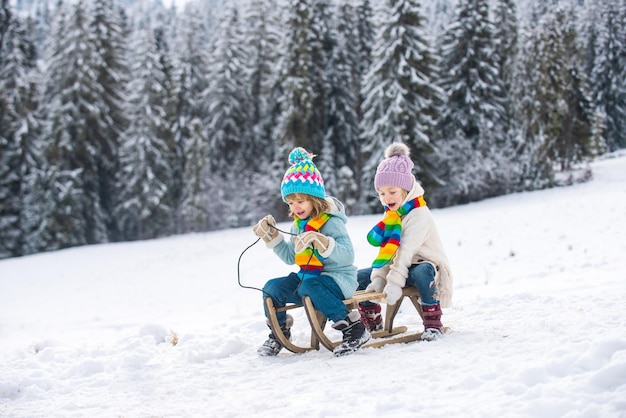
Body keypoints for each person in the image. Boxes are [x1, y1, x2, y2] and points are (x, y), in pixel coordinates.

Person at [252, 147, 370, 357]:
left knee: (309, 285)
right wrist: (272, 237)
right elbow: (291, 257)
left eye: (300, 201)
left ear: (314, 198)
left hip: (338, 280)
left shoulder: (331, 222)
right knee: (272, 288)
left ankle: (354, 329)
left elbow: (347, 255)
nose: (295, 207)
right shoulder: (299, 225)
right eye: (290, 202)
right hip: (308, 280)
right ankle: (280, 332)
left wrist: (323, 242)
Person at [357, 142, 453, 341]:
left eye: (392, 192)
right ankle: (373, 323)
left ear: (405, 189)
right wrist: (379, 278)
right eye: (381, 193)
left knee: (422, 271)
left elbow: (405, 251)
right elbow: (388, 251)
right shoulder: (392, 215)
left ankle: (433, 323)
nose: (386, 198)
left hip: (424, 267)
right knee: (360, 277)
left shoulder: (418, 213)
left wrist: (392, 283)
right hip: (400, 268)